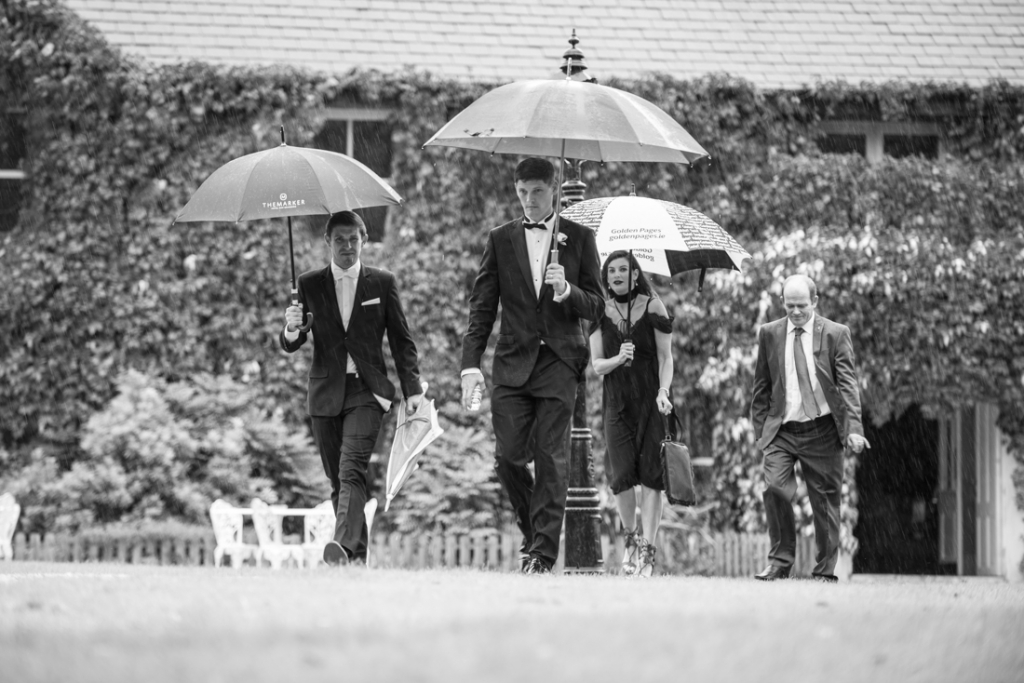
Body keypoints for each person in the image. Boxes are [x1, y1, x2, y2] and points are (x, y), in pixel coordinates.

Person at [460, 157, 605, 574]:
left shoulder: (579, 238)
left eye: (536, 192)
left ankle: (541, 554)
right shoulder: (500, 239)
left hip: (559, 362)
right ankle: (532, 530)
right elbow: (482, 307)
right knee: (507, 458)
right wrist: (470, 364)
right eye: (521, 192)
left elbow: (596, 305)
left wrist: (567, 290)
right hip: (511, 364)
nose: (528, 200)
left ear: (554, 189)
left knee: (551, 458)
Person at [281, 211, 423, 566]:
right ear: (328, 242)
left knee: (351, 469)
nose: (347, 246)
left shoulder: (382, 282)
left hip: (367, 391)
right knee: (339, 480)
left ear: (365, 240)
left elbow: (402, 340)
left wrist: (413, 389)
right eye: (340, 239)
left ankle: (340, 545)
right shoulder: (308, 284)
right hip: (325, 392)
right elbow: (293, 344)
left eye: (353, 239)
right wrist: (292, 328)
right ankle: (355, 559)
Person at [750, 274, 870, 582]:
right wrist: (762, 434)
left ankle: (824, 571)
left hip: (823, 430)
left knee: (826, 502)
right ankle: (779, 563)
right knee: (774, 488)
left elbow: (847, 384)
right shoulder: (770, 333)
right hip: (783, 430)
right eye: (790, 306)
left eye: (802, 305)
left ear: (814, 302)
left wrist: (854, 428)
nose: (796, 312)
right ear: (783, 304)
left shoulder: (835, 334)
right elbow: (761, 387)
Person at [589, 251, 675, 577]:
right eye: (612, 271)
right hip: (617, 405)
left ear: (635, 274)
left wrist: (664, 392)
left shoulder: (653, 306)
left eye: (624, 269)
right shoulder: (599, 310)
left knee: (653, 479)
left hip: (651, 404)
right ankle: (631, 540)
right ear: (606, 277)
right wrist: (619, 358)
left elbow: (666, 359)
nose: (617, 275)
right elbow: (597, 365)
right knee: (622, 477)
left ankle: (649, 553)